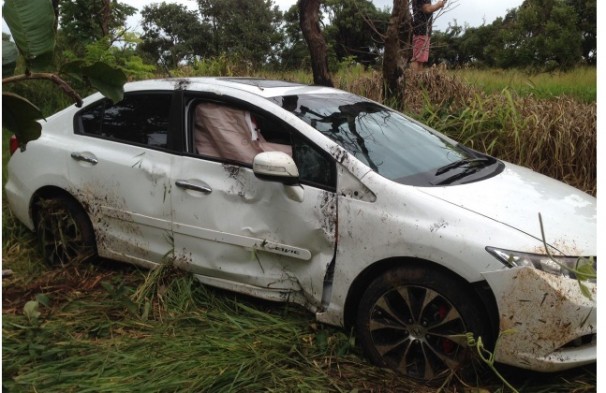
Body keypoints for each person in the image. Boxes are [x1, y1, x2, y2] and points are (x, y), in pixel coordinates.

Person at [411, 0, 446, 72]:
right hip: (421, 31)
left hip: (422, 31)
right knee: (417, 59)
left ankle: (418, 80)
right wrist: (438, 5)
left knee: (420, 60)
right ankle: (413, 80)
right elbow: (427, 8)